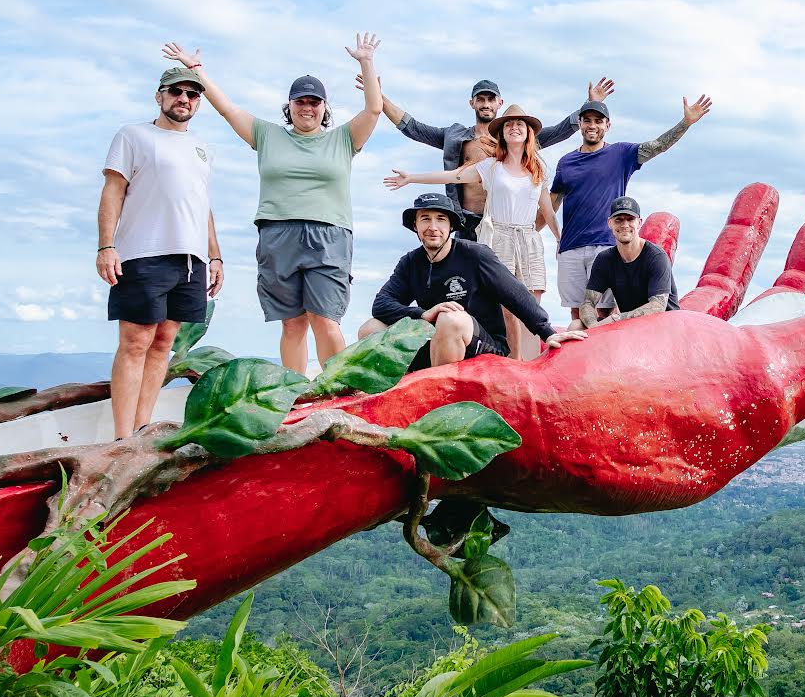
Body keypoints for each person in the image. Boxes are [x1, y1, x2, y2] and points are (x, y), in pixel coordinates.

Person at [163, 34, 383, 374]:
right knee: (292, 323)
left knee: (325, 318)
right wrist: (196, 70)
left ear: (324, 108)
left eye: (314, 102)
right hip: (277, 234)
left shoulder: (343, 139)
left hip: (329, 236)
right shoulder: (267, 135)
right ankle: (294, 394)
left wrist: (366, 63)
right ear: (289, 106)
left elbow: (373, 108)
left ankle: (339, 392)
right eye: (300, 102)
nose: (307, 108)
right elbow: (227, 108)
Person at [97, 64, 224, 439]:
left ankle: (141, 429)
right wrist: (107, 246)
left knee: (164, 343)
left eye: (192, 94)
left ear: (198, 102)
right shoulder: (133, 136)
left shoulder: (202, 148)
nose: (183, 99)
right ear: (160, 96)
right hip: (142, 253)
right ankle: (121, 439)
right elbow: (113, 192)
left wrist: (214, 256)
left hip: (191, 259)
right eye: (176, 92)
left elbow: (203, 206)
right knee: (135, 342)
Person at [383, 104, 559, 360]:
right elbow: (454, 176)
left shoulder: (538, 169)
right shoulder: (490, 167)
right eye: (509, 124)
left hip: (528, 238)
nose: (514, 127)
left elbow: (548, 211)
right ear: (501, 133)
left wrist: (559, 239)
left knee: (531, 301)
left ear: (529, 132)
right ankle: (514, 364)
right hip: (498, 235)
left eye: (520, 124)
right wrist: (412, 178)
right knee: (506, 306)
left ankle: (533, 366)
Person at [362, 72, 614, 242]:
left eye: (490, 99)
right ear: (472, 103)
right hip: (466, 222)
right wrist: (379, 97)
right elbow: (413, 128)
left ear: (499, 102)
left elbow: (561, 130)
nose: (485, 104)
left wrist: (589, 104)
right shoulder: (455, 136)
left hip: (504, 224)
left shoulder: (517, 139)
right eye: (480, 99)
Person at [369, 194, 585, 371]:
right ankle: (389, 396)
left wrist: (548, 332)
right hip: (436, 344)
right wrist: (422, 314)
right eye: (425, 219)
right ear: (415, 226)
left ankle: (445, 402)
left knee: (450, 319)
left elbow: (516, 295)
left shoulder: (475, 255)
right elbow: (381, 305)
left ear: (451, 226)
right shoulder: (411, 262)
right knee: (370, 329)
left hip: (484, 346)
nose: (433, 227)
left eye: (441, 219)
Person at [552, 94, 712, 322]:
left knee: (605, 310)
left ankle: (608, 353)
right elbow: (552, 203)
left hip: (604, 243)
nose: (592, 125)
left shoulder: (620, 153)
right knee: (577, 312)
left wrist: (685, 123)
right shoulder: (565, 162)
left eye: (598, 121)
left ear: (608, 125)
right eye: (587, 120)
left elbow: (657, 146)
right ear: (579, 123)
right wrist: (551, 236)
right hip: (571, 246)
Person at [569, 196, 679, 330]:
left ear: (639, 222)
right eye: (618, 220)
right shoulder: (605, 259)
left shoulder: (656, 256)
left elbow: (658, 306)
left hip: (663, 326)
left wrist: (617, 319)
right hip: (628, 327)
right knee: (576, 325)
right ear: (610, 223)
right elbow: (588, 302)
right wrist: (594, 328)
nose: (625, 225)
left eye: (630, 219)